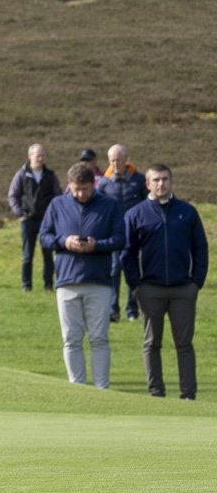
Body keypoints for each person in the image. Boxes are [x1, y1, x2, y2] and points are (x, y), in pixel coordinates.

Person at [123, 164, 207, 399]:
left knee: (184, 343)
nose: (161, 184)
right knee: (151, 343)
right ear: (147, 184)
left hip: (183, 289)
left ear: (171, 181)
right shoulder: (135, 214)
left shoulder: (187, 212)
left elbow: (200, 248)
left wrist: (196, 282)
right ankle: (156, 392)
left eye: (165, 179)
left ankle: (188, 394)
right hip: (150, 289)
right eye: (156, 180)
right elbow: (127, 254)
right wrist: (136, 284)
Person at [39, 162, 124, 389]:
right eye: (76, 189)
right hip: (67, 282)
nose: (80, 194)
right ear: (69, 184)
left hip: (99, 282)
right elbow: (44, 237)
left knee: (99, 338)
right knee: (71, 339)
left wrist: (97, 245)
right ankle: (77, 388)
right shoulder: (57, 205)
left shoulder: (109, 206)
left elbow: (120, 239)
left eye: (85, 189)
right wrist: (64, 241)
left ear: (93, 184)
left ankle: (102, 389)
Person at [99, 143, 145, 320]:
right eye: (112, 160)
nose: (115, 163)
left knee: (133, 269)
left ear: (126, 159)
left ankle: (132, 310)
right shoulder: (104, 183)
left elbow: (147, 204)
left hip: (135, 233)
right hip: (113, 234)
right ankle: (113, 309)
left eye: (118, 160)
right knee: (114, 269)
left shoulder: (139, 180)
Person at [8, 143, 60, 292]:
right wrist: (19, 213)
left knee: (48, 254)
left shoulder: (50, 175)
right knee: (27, 255)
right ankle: (26, 285)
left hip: (46, 221)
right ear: (29, 156)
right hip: (28, 220)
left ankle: (48, 285)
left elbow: (57, 195)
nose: (40, 159)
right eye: (38, 156)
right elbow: (13, 195)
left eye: (42, 156)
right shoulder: (21, 174)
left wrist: (54, 216)